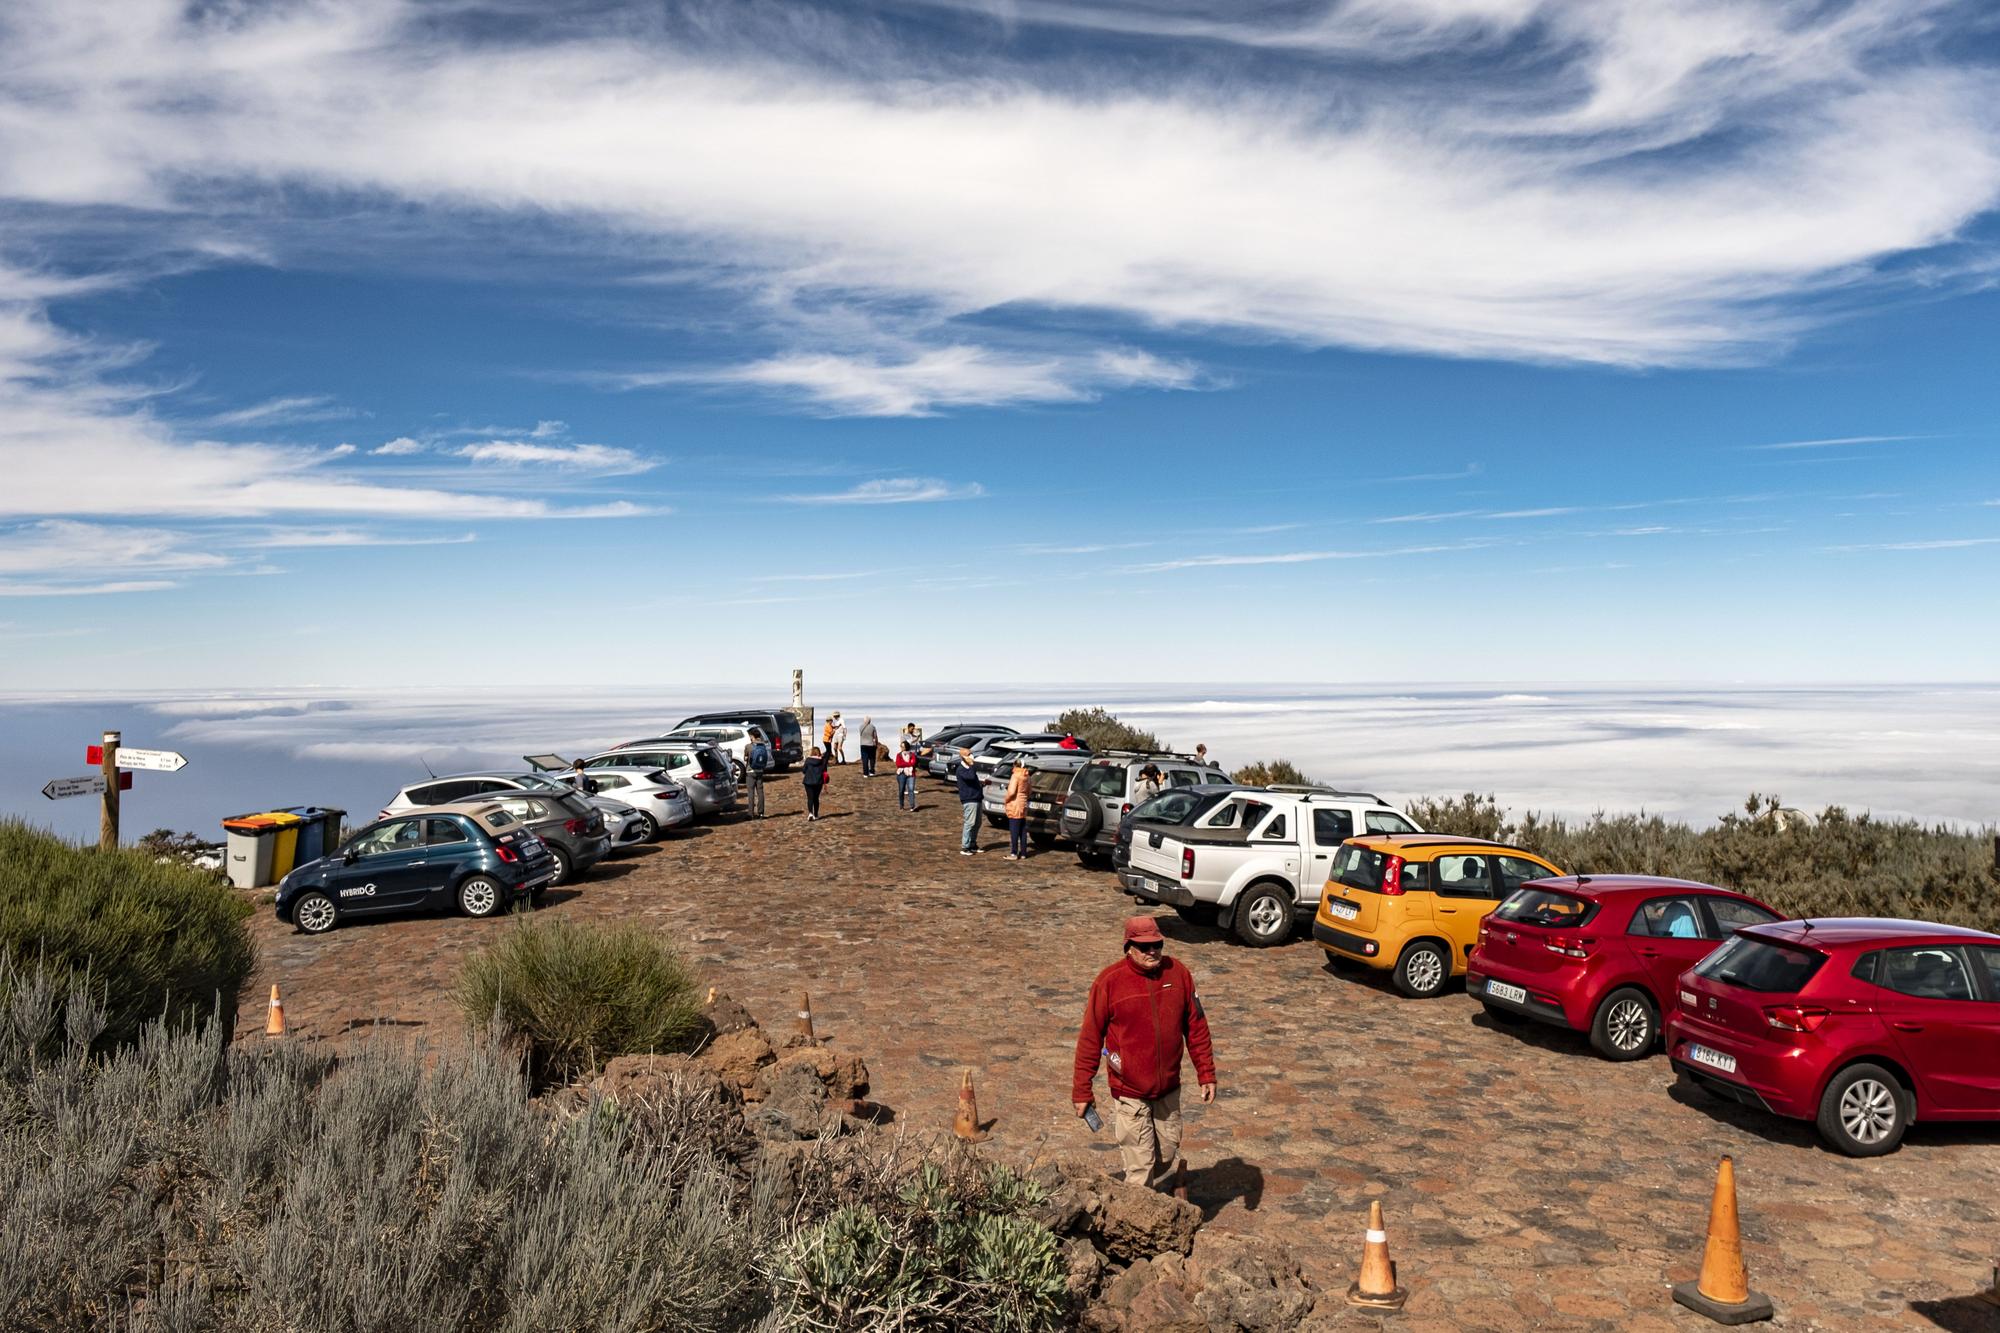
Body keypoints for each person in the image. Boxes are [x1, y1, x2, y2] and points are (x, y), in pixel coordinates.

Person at [1072, 916, 1217, 1192]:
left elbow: (1197, 1026)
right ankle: (1135, 1227)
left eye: (1157, 944)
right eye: (1144, 946)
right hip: (1129, 1090)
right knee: (1141, 1169)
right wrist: (1082, 1092)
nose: (1152, 951)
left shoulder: (1179, 974)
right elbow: (1090, 1039)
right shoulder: (1109, 983)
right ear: (1128, 947)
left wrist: (1206, 1074)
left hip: (1168, 1089)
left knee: (1165, 1156)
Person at [952, 746, 983, 855]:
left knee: (977, 823)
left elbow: (973, 780)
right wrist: (972, 765)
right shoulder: (961, 769)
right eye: (969, 754)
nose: (971, 756)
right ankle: (965, 846)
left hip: (977, 797)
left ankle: (972, 844)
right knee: (970, 823)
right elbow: (969, 777)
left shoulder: (969, 768)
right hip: (969, 799)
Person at [1003, 754, 1032, 860]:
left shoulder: (1015, 776)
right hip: (1023, 804)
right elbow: (1029, 791)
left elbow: (1011, 792)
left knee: (1014, 830)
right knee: (1022, 830)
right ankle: (1023, 853)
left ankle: (1014, 853)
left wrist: (1006, 800)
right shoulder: (1027, 776)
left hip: (1015, 804)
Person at [743, 727, 771, 819]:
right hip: (760, 771)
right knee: (760, 792)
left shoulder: (749, 746)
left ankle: (750, 814)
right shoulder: (763, 746)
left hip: (750, 771)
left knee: (751, 793)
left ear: (752, 736)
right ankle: (761, 813)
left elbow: (745, 758)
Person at [802, 746, 829, 821]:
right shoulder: (822, 761)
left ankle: (810, 813)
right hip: (818, 782)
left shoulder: (808, 760)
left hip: (808, 781)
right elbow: (824, 770)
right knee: (816, 798)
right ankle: (816, 814)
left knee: (810, 798)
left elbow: (804, 770)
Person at [894, 740, 919, 811]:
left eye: (902, 746)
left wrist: (904, 764)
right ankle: (901, 806)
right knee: (901, 790)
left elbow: (913, 763)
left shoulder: (912, 755)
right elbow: (898, 764)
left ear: (906, 747)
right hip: (901, 774)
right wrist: (908, 763)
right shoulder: (899, 755)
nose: (901, 748)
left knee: (911, 789)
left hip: (911, 774)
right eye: (901, 746)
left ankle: (912, 806)